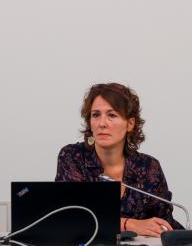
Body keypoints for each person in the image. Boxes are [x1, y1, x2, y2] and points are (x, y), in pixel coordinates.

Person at [56, 83, 182, 236]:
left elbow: (164, 223)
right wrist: (130, 224)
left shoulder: (149, 167)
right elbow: (70, 217)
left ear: (130, 124)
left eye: (112, 115)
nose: (102, 123)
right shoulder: (72, 157)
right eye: (95, 115)